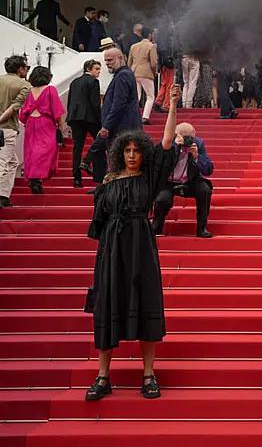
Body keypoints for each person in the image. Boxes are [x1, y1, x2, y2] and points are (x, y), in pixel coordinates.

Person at [84, 84, 182, 402]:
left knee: (146, 304)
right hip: (111, 252)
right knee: (109, 304)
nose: (131, 156)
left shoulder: (147, 179)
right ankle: (103, 377)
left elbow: (167, 143)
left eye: (135, 151)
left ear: (142, 153)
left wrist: (173, 107)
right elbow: (97, 226)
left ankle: (149, 375)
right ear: (119, 154)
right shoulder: (107, 184)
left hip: (141, 245)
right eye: (126, 151)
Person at [86, 48, 142, 185]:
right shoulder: (123, 75)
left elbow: (119, 104)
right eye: (105, 61)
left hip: (121, 129)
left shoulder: (122, 76)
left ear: (120, 58)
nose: (107, 64)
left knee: (119, 165)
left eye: (110, 60)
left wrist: (106, 126)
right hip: (123, 128)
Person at [152, 122, 214, 238]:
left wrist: (197, 157)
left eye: (191, 137)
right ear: (176, 135)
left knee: (204, 190)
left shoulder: (198, 144)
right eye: (185, 137)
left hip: (189, 181)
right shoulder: (168, 143)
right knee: (162, 199)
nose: (188, 140)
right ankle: (157, 225)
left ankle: (202, 227)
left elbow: (208, 170)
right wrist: (174, 148)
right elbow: (158, 162)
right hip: (169, 182)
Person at [18, 66, 66, 194]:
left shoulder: (28, 90)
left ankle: (34, 178)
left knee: (32, 152)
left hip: (30, 124)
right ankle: (37, 178)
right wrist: (60, 127)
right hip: (46, 123)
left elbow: (22, 115)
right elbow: (57, 111)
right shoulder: (50, 89)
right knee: (46, 151)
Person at [0, 55, 31, 208]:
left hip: (5, 129)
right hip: (6, 128)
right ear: (20, 69)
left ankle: (3, 195)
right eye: (27, 68)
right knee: (3, 164)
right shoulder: (24, 85)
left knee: (12, 162)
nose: (27, 71)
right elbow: (14, 107)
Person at [67, 60, 103, 188]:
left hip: (75, 117)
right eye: (97, 69)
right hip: (90, 117)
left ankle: (77, 179)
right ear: (89, 68)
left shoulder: (74, 82)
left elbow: (70, 100)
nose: (99, 72)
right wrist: (101, 120)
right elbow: (95, 103)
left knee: (77, 148)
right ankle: (93, 169)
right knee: (100, 142)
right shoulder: (94, 81)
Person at [127, 26, 158, 126]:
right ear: (150, 35)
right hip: (146, 72)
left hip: (134, 71)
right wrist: (154, 72)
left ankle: (131, 116)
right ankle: (145, 117)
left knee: (136, 96)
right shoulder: (151, 46)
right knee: (150, 96)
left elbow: (129, 62)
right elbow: (153, 63)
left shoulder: (134, 46)